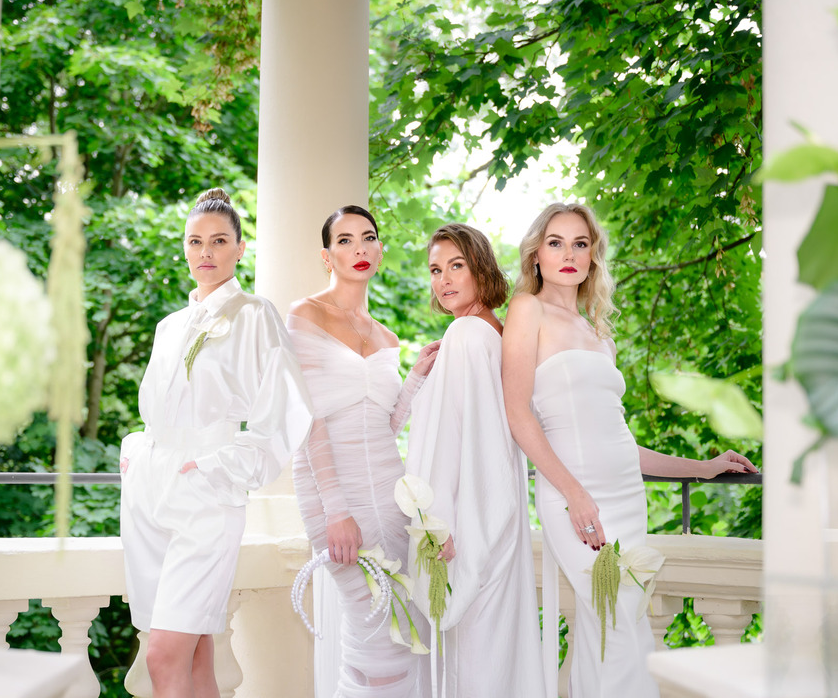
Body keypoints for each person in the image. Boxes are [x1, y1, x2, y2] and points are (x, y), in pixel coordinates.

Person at [501, 202, 758, 698]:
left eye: (581, 243)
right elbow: (518, 415)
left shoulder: (599, 333)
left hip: (624, 497)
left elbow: (619, 441)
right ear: (536, 253)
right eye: (556, 242)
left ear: (593, 255)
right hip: (574, 497)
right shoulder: (526, 309)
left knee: (619, 628)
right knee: (615, 620)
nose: (569, 254)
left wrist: (702, 468)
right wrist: (575, 495)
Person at [119, 188, 313, 698]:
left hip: (205, 492)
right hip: (150, 489)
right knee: (197, 655)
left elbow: (286, 410)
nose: (205, 252)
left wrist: (220, 467)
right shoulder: (169, 327)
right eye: (195, 241)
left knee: (162, 656)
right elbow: (162, 409)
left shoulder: (254, 314)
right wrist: (138, 448)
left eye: (219, 241)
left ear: (240, 248)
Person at [289, 205, 438, 698]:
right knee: (373, 628)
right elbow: (308, 419)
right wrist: (336, 510)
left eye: (367, 238)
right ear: (327, 256)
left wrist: (415, 377)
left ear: (380, 250)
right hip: (335, 492)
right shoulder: (305, 314)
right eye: (345, 240)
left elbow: (388, 422)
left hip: (389, 491)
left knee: (401, 629)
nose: (358, 248)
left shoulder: (386, 337)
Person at [404, 223, 546, 698]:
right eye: (435, 270)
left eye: (456, 266)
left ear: (481, 267)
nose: (444, 280)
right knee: (500, 659)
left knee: (474, 667)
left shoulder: (466, 334)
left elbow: (460, 442)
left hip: (467, 525)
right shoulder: (496, 333)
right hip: (498, 519)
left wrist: (434, 521)